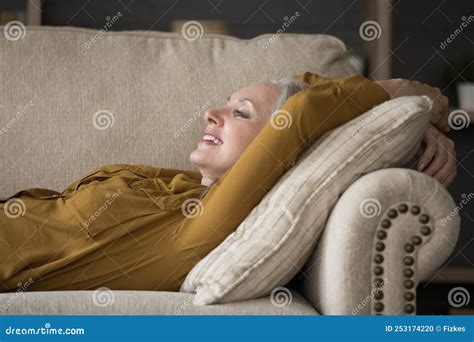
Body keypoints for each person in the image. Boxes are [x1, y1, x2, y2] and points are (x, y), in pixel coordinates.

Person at [0, 72, 456, 293]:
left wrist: (415, 103)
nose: (212, 113)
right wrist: (409, 111)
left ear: (270, 150)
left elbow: (300, 114)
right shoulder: (177, 187)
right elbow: (303, 89)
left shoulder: (196, 232)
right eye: (225, 104)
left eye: (241, 114)